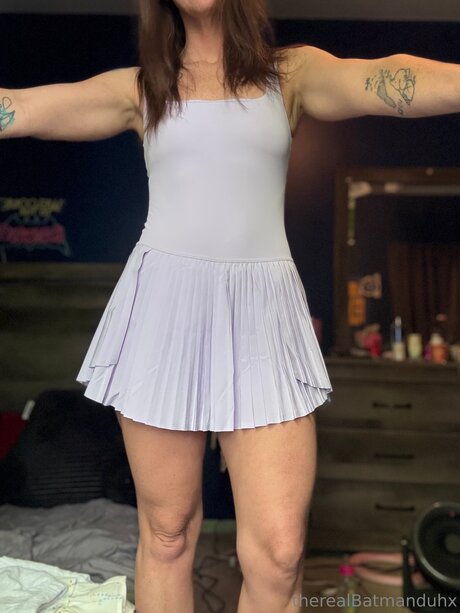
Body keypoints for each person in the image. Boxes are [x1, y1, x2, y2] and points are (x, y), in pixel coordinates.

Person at [1, 1, 460, 611]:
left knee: (280, 552)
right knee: (168, 534)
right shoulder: (142, 88)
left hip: (263, 315)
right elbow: (22, 106)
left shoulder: (290, 75)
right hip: (164, 311)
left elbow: (384, 76)